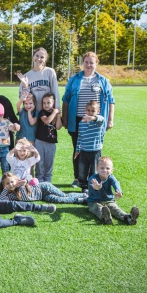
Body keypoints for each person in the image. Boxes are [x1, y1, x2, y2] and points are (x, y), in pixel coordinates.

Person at [62, 51, 115, 188]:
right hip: (77, 121)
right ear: (83, 63)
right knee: (78, 149)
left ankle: (94, 180)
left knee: (94, 151)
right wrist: (65, 118)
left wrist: (110, 120)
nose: (88, 65)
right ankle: (78, 178)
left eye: (92, 62)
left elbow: (111, 101)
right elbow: (66, 99)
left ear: (96, 63)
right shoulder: (74, 79)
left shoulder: (102, 80)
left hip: (96, 122)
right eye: (86, 62)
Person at [87, 157, 139, 225]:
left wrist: (119, 192)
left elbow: (116, 183)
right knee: (98, 208)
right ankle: (106, 218)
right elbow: (92, 189)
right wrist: (96, 188)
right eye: (102, 168)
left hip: (108, 200)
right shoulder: (93, 179)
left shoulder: (111, 177)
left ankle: (129, 217)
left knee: (115, 209)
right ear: (97, 169)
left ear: (112, 170)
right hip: (94, 201)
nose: (104, 170)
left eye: (107, 168)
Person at [0, 172, 87, 205]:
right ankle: (82, 200)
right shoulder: (9, 195)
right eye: (7, 183)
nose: (10, 184)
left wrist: (21, 183)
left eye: (12, 182)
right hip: (43, 197)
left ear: (16, 180)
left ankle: (84, 194)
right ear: (4, 185)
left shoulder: (20, 186)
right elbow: (1, 200)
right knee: (60, 200)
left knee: (64, 195)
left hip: (44, 188)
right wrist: (5, 189)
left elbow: (24, 194)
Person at [17, 47, 60, 112]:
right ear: (33, 57)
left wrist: (57, 110)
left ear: (45, 60)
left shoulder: (50, 72)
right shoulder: (26, 76)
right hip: (33, 113)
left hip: (48, 113)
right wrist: (26, 86)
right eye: (37, 56)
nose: (39, 59)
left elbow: (55, 92)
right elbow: (22, 98)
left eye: (42, 57)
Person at [75, 100, 106, 192]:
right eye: (88, 110)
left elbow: (102, 119)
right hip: (84, 150)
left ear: (98, 111)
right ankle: (84, 187)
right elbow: (80, 136)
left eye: (93, 111)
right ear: (85, 110)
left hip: (95, 151)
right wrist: (77, 149)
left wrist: (92, 118)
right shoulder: (81, 123)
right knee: (82, 170)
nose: (90, 112)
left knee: (94, 170)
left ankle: (93, 188)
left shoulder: (98, 122)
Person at [34, 93, 62, 183]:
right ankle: (39, 181)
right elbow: (47, 121)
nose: (46, 105)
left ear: (53, 103)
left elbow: (58, 127)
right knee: (40, 163)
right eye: (44, 103)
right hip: (40, 141)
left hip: (51, 143)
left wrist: (58, 115)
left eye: (48, 103)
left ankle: (48, 182)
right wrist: (54, 112)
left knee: (49, 163)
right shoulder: (42, 112)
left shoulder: (55, 114)